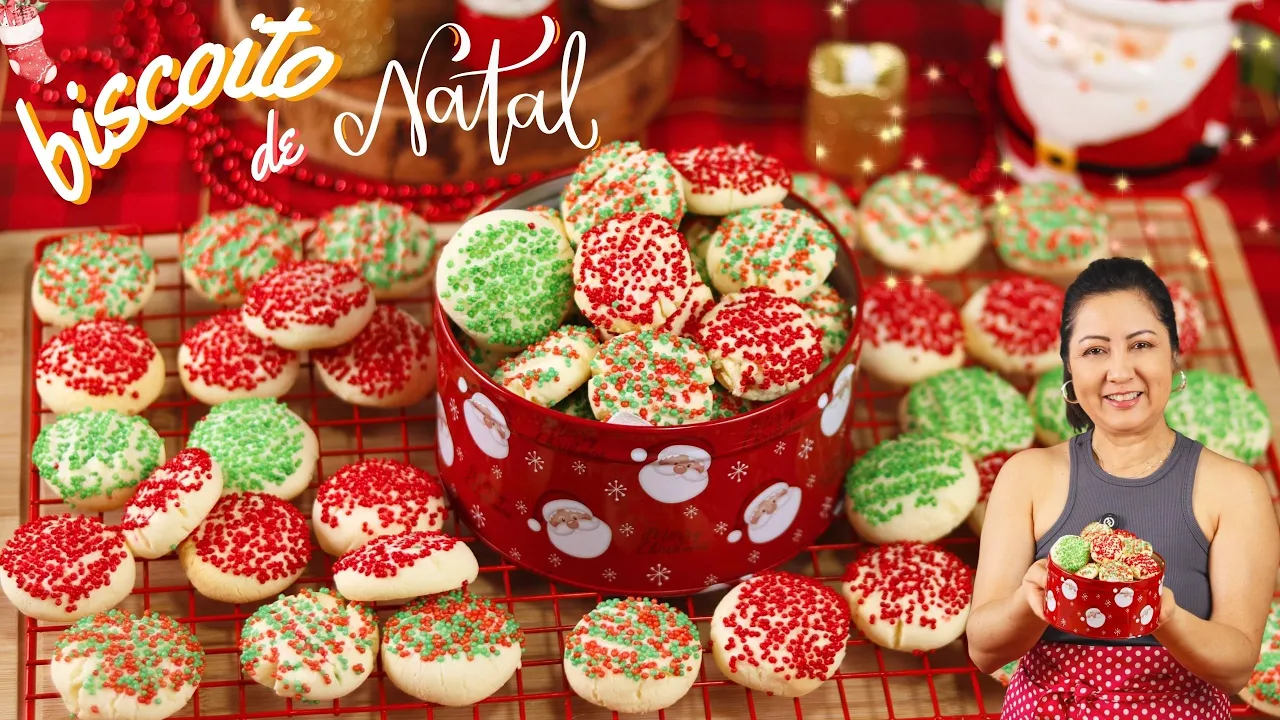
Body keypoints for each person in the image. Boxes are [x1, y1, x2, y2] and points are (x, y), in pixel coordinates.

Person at [966, 257, 1280, 719]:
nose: (1119, 371)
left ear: (1172, 355)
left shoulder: (1236, 490)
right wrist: (1030, 600)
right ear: (1069, 369)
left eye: (1141, 345)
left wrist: (1163, 614)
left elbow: (1236, 666)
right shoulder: (1026, 476)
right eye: (1095, 351)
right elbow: (983, 650)